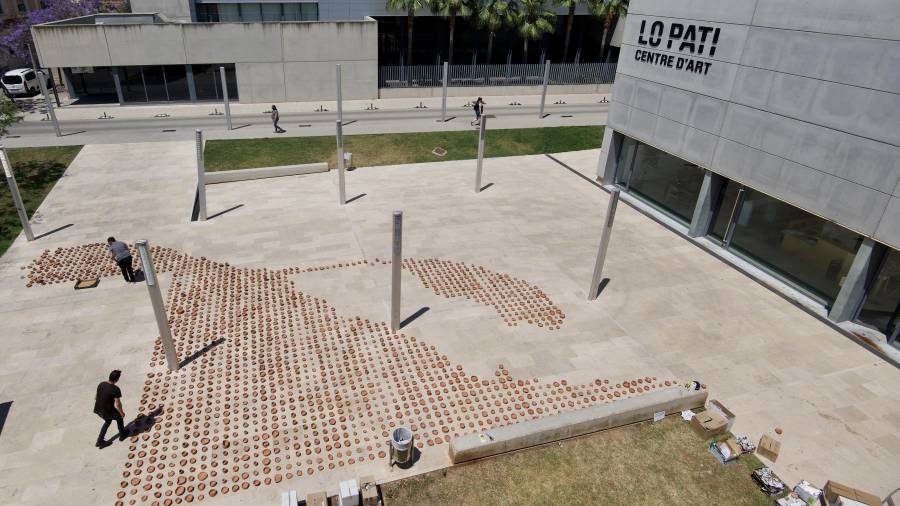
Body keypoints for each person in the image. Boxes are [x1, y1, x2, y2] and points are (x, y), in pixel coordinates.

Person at [94, 370, 128, 448]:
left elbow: (96, 397)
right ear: (117, 379)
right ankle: (122, 435)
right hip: (107, 410)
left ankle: (100, 441)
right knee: (119, 418)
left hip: (98, 409)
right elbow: (118, 403)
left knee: (107, 421)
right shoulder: (115, 389)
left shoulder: (101, 384)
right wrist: (121, 413)